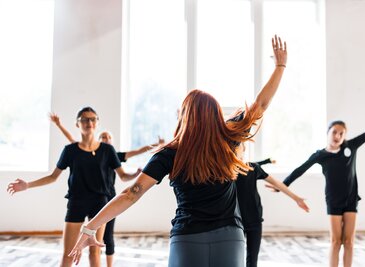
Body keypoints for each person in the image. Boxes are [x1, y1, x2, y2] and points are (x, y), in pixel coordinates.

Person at [68, 35, 287, 267]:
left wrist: (90, 226)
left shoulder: (169, 153)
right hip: (230, 237)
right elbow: (260, 105)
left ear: (184, 116)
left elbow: (131, 193)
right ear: (215, 115)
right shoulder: (228, 138)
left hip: (187, 239)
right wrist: (280, 67)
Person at [7, 107, 141, 267]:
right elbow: (53, 177)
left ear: (97, 122)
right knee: (69, 253)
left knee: (95, 251)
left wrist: (139, 174)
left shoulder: (108, 150)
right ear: (78, 124)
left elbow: (123, 176)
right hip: (77, 202)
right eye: (84, 119)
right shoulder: (70, 151)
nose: (89, 122)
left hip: (100, 203)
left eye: (92, 119)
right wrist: (27, 185)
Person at [49, 113, 164, 267]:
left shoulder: (113, 154)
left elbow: (136, 153)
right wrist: (59, 124)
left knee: (106, 239)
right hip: (88, 200)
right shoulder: (84, 150)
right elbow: (72, 140)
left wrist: (156, 146)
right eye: (103, 137)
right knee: (93, 241)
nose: (105, 139)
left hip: (109, 200)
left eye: (108, 137)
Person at [281, 112, 365, 267]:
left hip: (351, 200)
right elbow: (300, 170)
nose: (337, 136)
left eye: (341, 134)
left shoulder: (350, 146)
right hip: (333, 201)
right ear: (328, 133)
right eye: (334, 132)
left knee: (349, 242)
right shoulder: (320, 155)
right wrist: (283, 185)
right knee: (336, 241)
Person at [235, 144, 309, 267]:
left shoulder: (253, 168)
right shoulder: (225, 171)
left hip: (255, 220)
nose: (234, 147)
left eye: (237, 144)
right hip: (236, 221)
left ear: (243, 149)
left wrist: (296, 198)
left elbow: (276, 183)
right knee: (236, 259)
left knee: (252, 260)